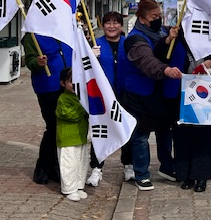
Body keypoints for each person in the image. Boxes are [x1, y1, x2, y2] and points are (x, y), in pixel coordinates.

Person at [119, 0, 181, 191]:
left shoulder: (162, 32)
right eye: (154, 16)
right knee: (141, 135)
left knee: (164, 131)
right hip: (139, 94)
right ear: (142, 19)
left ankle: (167, 166)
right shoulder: (135, 40)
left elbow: (164, 48)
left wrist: (170, 38)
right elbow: (147, 61)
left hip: (160, 93)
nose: (158, 19)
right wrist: (166, 70)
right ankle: (142, 174)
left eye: (159, 15)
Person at [154, 26, 211, 193]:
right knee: (181, 135)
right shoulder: (174, 37)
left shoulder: (208, 36)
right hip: (178, 93)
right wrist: (168, 39)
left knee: (203, 136)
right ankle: (185, 174)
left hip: (202, 93)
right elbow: (159, 55)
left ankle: (201, 176)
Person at [86, 11, 134, 187]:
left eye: (115, 23)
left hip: (125, 94)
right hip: (102, 97)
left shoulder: (128, 43)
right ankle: (96, 168)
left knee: (126, 130)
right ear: (102, 25)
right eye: (108, 23)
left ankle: (128, 165)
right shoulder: (95, 44)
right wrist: (90, 57)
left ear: (121, 26)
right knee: (100, 130)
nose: (111, 26)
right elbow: (83, 69)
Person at [22, 33, 73, 185]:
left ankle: (55, 166)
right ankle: (43, 167)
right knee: (53, 126)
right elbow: (30, 61)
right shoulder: (33, 35)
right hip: (48, 86)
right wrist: (37, 62)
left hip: (70, 86)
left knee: (63, 127)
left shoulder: (64, 29)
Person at [56, 67, 89, 202]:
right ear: (63, 83)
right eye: (71, 81)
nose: (75, 84)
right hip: (67, 138)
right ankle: (69, 189)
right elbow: (70, 115)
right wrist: (82, 106)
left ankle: (79, 186)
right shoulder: (63, 99)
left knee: (81, 163)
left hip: (81, 136)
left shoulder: (83, 97)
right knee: (69, 163)